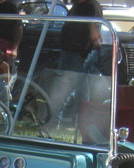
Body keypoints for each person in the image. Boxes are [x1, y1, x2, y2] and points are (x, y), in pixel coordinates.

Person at [43, 0, 103, 133]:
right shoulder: (81, 6)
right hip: (75, 53)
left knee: (62, 91)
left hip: (78, 54)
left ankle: (51, 124)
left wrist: (93, 37)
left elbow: (93, 29)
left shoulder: (89, 6)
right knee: (81, 92)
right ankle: (81, 126)